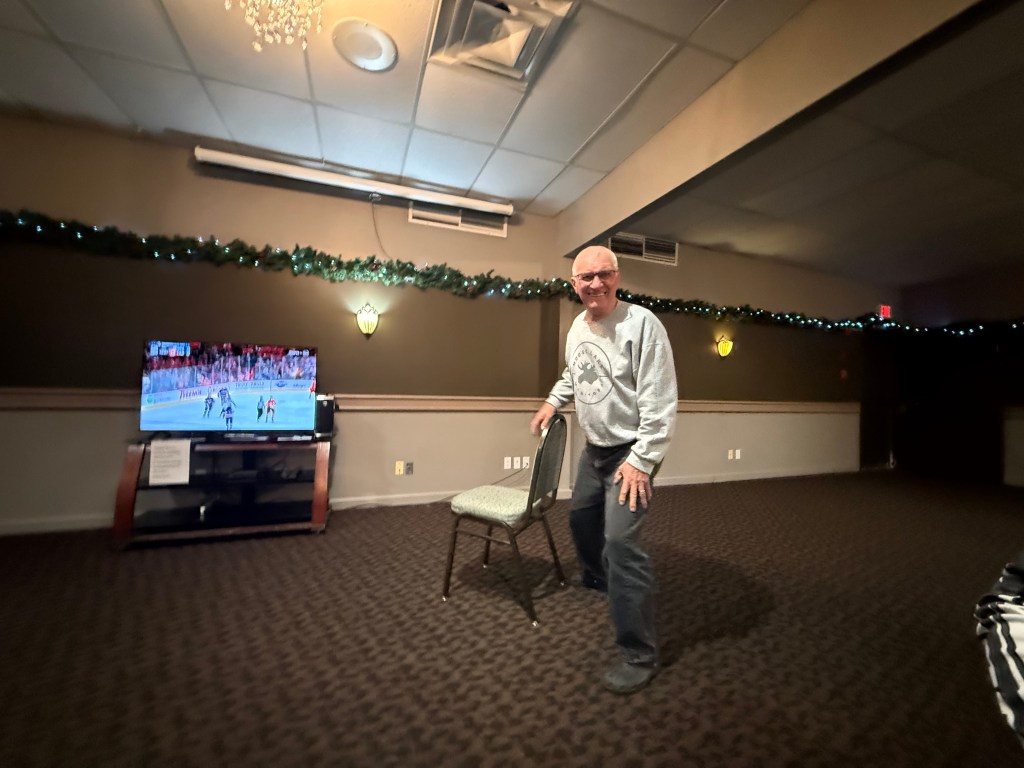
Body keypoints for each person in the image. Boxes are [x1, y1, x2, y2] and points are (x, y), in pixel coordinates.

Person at [530, 245, 677, 695]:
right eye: (586, 277)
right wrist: (552, 401)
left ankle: (639, 654)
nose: (596, 283)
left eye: (604, 274)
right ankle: (597, 577)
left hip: (630, 453)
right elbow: (574, 374)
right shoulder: (578, 325)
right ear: (574, 284)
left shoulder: (642, 324)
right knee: (580, 518)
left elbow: (660, 402)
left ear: (617, 276)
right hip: (595, 450)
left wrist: (642, 461)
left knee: (621, 544)